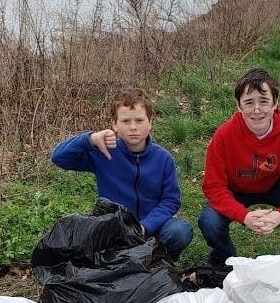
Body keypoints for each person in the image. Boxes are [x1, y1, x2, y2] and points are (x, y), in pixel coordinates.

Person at [198, 68, 280, 265]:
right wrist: (244, 216)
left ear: (275, 103)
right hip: (236, 187)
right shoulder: (223, 135)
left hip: (278, 182)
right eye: (249, 102)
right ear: (238, 105)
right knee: (209, 221)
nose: (257, 110)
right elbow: (213, 186)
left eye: (264, 101)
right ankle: (225, 260)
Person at [50, 88, 193, 260]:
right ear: (115, 125)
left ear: (150, 122)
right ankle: (125, 262)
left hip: (152, 228)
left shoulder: (163, 159)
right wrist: (90, 139)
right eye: (125, 121)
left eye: (139, 120)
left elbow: (171, 201)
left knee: (180, 231)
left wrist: (144, 227)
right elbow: (59, 158)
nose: (133, 127)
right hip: (115, 229)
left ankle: (160, 262)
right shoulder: (104, 153)